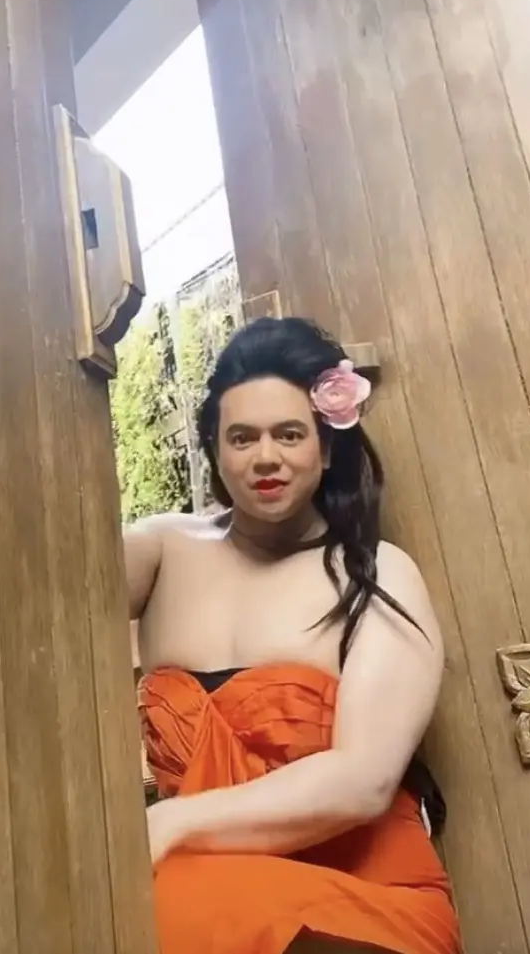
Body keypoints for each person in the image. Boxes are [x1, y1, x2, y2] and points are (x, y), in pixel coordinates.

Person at [125, 317, 460, 954]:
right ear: (215, 449)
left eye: (288, 434)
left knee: (162, 906)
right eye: (242, 437)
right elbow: (47, 594)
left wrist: (172, 822)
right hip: (192, 885)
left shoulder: (377, 574)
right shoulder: (162, 549)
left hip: (362, 901)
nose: (265, 457)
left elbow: (363, 782)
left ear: (326, 448)